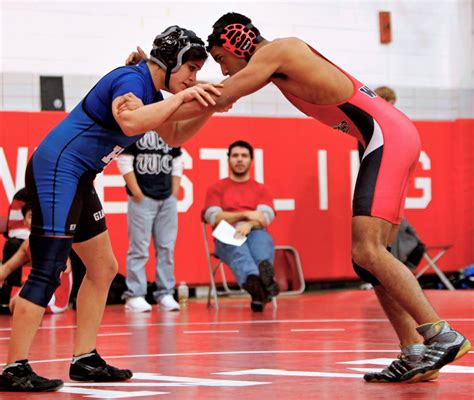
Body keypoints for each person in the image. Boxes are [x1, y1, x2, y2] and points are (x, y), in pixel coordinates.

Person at [119, 13, 470, 383]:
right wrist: (156, 85)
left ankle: (440, 333)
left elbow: (218, 96)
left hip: (387, 138)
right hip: (385, 138)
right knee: (369, 259)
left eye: (221, 59)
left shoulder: (278, 51)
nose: (222, 70)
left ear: (238, 43)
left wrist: (152, 89)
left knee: (367, 250)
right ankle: (413, 351)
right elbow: (197, 110)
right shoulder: (273, 63)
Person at [0, 25, 223, 392]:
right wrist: (186, 99)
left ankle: (84, 358)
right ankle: (13, 367)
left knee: (103, 268)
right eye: (192, 69)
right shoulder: (129, 80)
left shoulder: (152, 93)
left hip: (79, 175)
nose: (194, 77)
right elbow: (131, 121)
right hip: (57, 169)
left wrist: (209, 108)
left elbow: (174, 136)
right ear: (170, 62)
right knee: (48, 268)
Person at [203, 140, 279, 312]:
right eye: (235, 156)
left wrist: (249, 224)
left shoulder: (261, 189)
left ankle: (259, 281)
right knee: (237, 247)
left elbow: (265, 217)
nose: (239, 160)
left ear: (251, 161)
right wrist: (245, 215)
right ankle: (257, 281)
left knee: (261, 240)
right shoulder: (216, 188)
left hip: (255, 231)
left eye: (244, 156)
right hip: (225, 231)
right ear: (228, 160)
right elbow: (213, 216)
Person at [117, 132, 183, 312]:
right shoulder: (136, 128)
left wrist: (174, 192)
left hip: (167, 198)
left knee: (166, 248)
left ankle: (165, 293)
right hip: (141, 199)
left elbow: (177, 160)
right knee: (138, 248)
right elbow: (124, 160)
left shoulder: (171, 128)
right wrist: (137, 193)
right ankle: (135, 294)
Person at [0, 203, 72, 315]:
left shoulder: (53, 240)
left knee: (19, 302)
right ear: (24, 222)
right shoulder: (27, 244)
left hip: (56, 297)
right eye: (31, 216)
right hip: (39, 289)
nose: (35, 220)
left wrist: (22, 294)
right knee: (10, 299)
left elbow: (51, 278)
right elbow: (7, 268)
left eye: (38, 216)